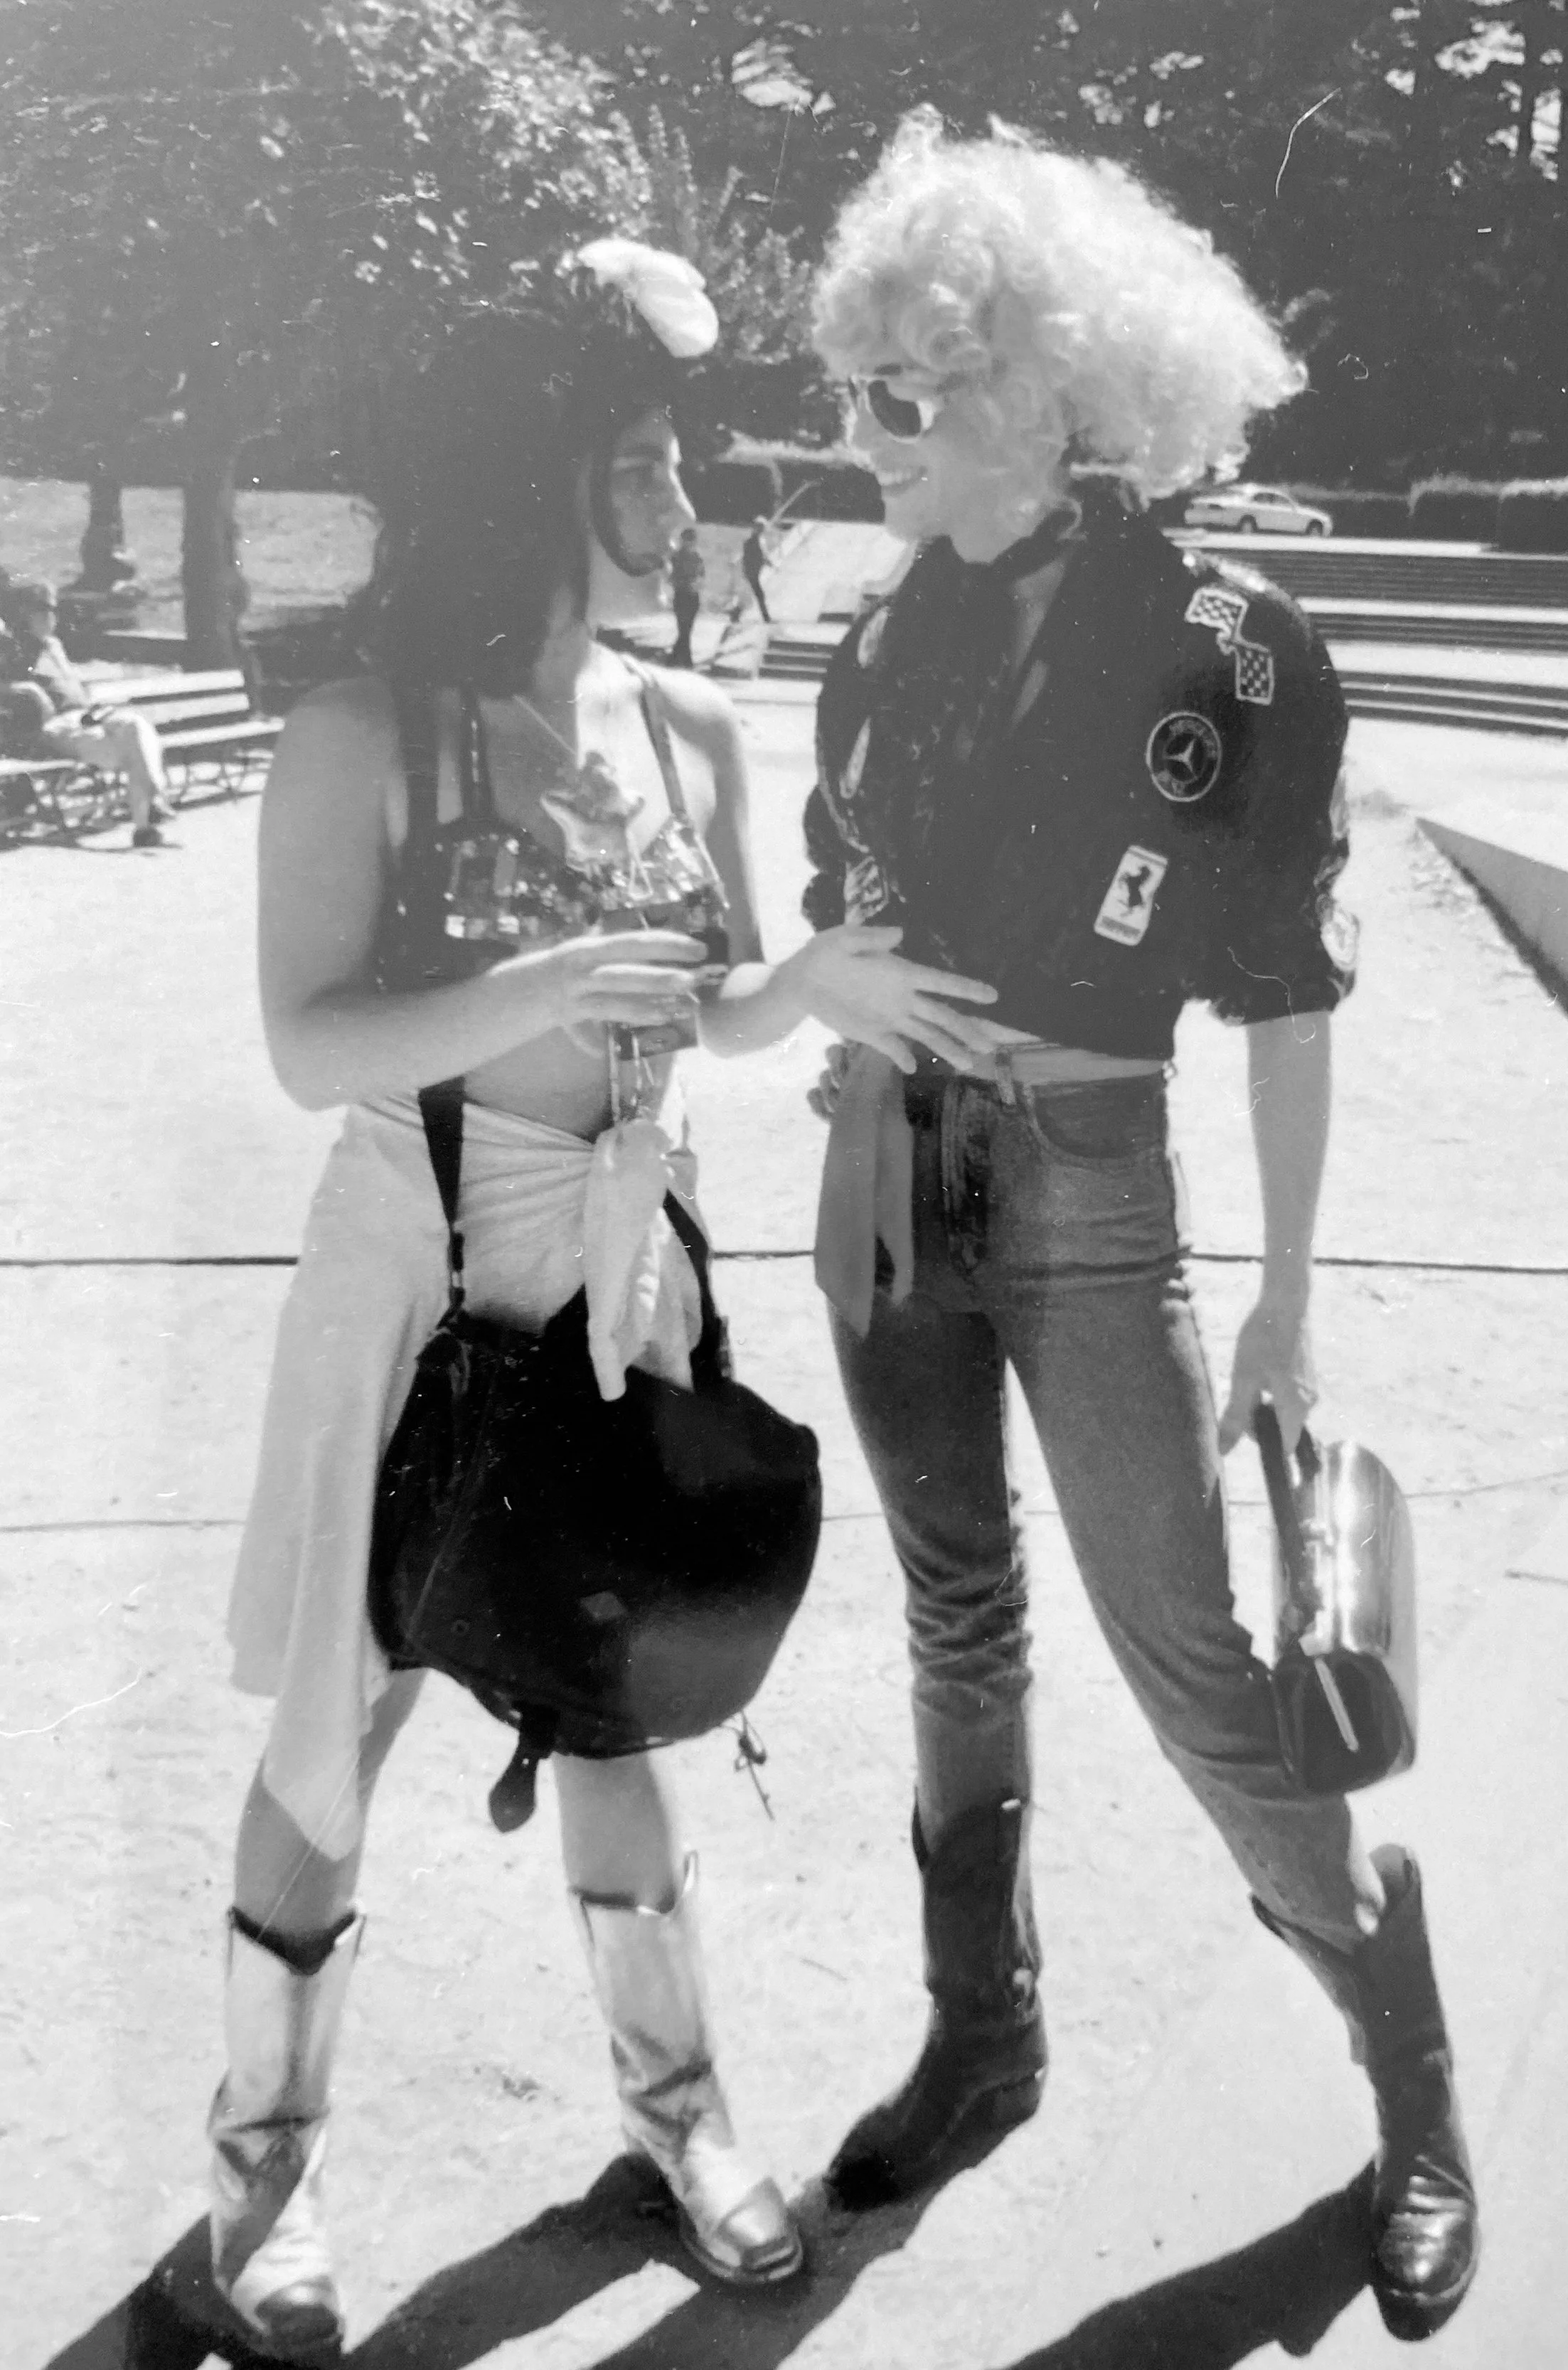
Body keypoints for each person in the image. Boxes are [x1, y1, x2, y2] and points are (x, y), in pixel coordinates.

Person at [191, 245, 1006, 2360]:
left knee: (617, 1683)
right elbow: (308, 1043)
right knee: (340, 1717)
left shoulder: (686, 720)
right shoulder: (369, 729)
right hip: (423, 1265)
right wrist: (533, 991)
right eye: (640, 462)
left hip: (626, 1260)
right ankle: (255, 2182)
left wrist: (803, 994)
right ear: (538, 480)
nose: (679, 499)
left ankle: (679, 2121)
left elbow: (711, 1007)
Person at [799, 114, 1478, 2345]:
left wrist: (1279, 1294)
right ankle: (978, 2039)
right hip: (883, 1181)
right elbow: (842, 916)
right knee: (951, 1629)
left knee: (1192, 1670)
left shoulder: (1231, 642)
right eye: (853, 386)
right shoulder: (869, 641)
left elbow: (1278, 994)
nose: (860, 431)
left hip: (1096, 1197)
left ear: (1051, 391)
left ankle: (1410, 2082)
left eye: (907, 388)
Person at [1, 577, 172, 845]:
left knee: (137, 725)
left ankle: (150, 805)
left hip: (86, 717)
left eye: (53, 611)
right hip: (55, 727)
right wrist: (32, 691)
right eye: (43, 611)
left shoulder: (54, 645)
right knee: (133, 746)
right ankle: (146, 818)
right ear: (26, 615)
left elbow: (71, 684)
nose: (51, 618)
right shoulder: (12, 647)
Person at [668, 523, 705, 666]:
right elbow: (671, 577)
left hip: (693, 596)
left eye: (692, 539)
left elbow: (702, 575)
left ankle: (674, 659)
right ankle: (687, 661)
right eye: (687, 539)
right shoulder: (676, 557)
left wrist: (697, 584)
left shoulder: (697, 557)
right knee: (684, 629)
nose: (689, 542)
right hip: (681, 594)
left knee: (687, 629)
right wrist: (684, 582)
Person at [740, 516, 774, 621]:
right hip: (752, 572)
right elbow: (752, 557)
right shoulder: (751, 542)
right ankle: (766, 617)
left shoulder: (759, 540)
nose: (762, 530)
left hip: (756, 571)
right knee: (759, 594)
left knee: (754, 594)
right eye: (760, 528)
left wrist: (767, 561)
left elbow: (761, 555)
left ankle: (736, 613)